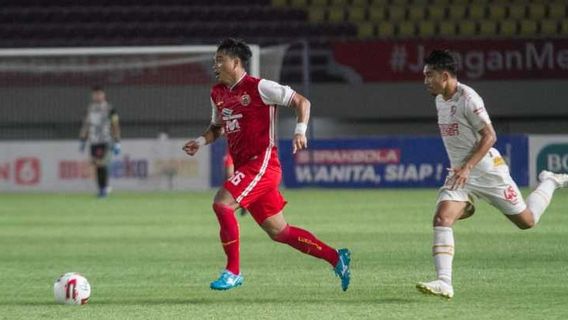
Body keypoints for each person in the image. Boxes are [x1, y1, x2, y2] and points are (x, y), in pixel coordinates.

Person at [183, 38, 351, 291]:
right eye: (214, 60)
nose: (215, 64)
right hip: (246, 169)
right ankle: (336, 257)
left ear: (236, 62)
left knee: (222, 204)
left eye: (220, 59)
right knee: (279, 232)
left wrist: (300, 131)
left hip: (262, 163)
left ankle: (233, 271)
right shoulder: (217, 92)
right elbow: (217, 128)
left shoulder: (260, 87)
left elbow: (302, 102)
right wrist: (199, 141)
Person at [416, 50, 568, 299]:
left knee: (526, 222)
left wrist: (468, 167)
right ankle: (445, 282)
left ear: (445, 76)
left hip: (487, 171)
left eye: (429, 76)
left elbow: (490, 136)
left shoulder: (469, 99)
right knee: (442, 219)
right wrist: (461, 170)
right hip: (459, 175)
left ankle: (550, 181)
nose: (425, 81)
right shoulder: (440, 100)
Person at [79, 86, 121, 198]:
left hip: (106, 140)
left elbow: (115, 125)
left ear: (103, 95)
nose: (97, 96)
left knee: (102, 163)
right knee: (97, 165)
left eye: (99, 94)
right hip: (93, 141)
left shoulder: (110, 108)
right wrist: (83, 140)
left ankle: (104, 188)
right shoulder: (90, 109)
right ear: (92, 96)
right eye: (95, 94)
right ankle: (102, 189)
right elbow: (86, 125)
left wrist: (117, 141)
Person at [223, 151, 247, 216]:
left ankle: (244, 202)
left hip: (243, 154)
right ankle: (242, 202)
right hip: (232, 153)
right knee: (230, 179)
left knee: (237, 179)